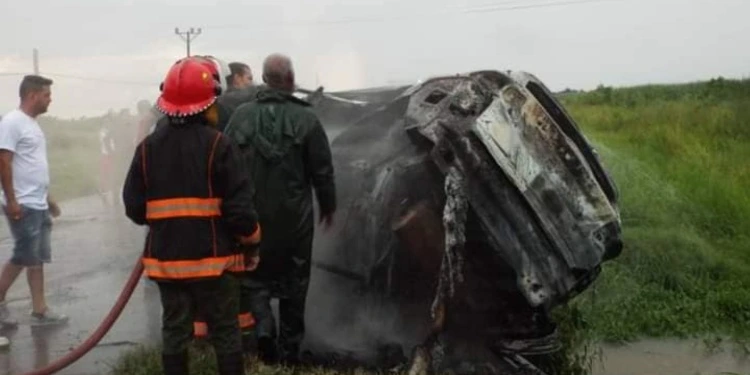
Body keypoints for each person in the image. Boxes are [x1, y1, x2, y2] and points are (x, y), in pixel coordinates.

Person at [122, 56, 262, 375]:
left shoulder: (147, 148)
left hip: (166, 262)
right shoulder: (219, 145)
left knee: (174, 333)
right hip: (215, 264)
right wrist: (253, 244)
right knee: (226, 333)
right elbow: (240, 211)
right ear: (209, 102)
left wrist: (166, 224)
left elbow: (132, 206)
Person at [224, 53, 336, 365]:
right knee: (294, 283)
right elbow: (323, 172)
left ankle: (263, 328)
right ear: (289, 79)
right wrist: (328, 207)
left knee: (255, 278)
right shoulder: (308, 118)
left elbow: (224, 166)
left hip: (253, 219)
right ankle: (289, 354)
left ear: (263, 78)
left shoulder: (241, 117)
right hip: (295, 221)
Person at [0, 75, 68, 327]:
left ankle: (40, 309)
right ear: (32, 95)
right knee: (23, 255)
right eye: (46, 95)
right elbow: (3, 162)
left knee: (36, 258)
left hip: (37, 202)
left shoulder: (33, 125)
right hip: (23, 203)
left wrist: (48, 199)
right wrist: (12, 200)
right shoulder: (12, 122)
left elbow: (32, 166)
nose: (50, 99)